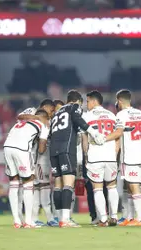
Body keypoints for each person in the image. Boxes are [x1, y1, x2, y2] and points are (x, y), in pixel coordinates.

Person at [50, 90, 105, 228]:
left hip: (53, 150)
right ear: (78, 101)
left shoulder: (57, 113)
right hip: (66, 149)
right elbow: (77, 119)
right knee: (69, 183)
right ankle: (65, 219)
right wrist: (93, 131)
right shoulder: (73, 107)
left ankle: (59, 218)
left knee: (58, 185)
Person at [105, 89, 141, 226]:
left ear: (120, 101)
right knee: (131, 185)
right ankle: (130, 217)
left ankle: (140, 218)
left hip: (130, 155)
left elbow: (117, 133)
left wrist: (102, 139)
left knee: (134, 186)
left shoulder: (121, 115)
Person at [4, 109, 49, 228]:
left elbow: (19, 115)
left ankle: (16, 221)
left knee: (13, 183)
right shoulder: (43, 124)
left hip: (7, 147)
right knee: (28, 182)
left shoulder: (23, 121)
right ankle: (29, 222)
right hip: (22, 149)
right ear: (46, 117)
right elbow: (41, 148)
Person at [81, 90, 120, 227]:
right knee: (112, 186)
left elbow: (84, 140)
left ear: (93, 101)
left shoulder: (86, 116)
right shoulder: (111, 115)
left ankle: (103, 219)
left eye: (87, 101)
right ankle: (114, 217)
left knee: (97, 188)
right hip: (110, 155)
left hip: (95, 156)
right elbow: (118, 136)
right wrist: (115, 152)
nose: (86, 104)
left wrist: (85, 157)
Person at [16, 100, 55, 227]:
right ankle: (41, 217)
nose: (52, 113)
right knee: (38, 185)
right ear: (45, 107)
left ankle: (36, 217)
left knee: (38, 185)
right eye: (51, 110)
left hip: (40, 154)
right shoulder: (32, 111)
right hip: (32, 154)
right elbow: (20, 117)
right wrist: (39, 118)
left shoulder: (49, 120)